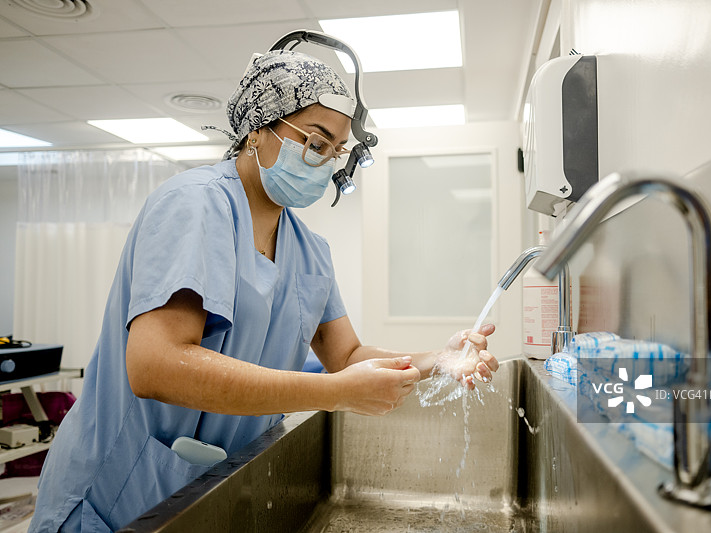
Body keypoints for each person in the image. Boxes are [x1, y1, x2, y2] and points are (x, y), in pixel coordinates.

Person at [29, 49, 498, 532]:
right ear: (258, 127)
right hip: (115, 497)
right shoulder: (194, 205)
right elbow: (155, 364)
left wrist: (434, 360)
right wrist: (333, 393)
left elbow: (347, 355)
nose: (326, 163)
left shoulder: (309, 249)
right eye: (316, 142)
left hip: (205, 492)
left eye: (336, 152)